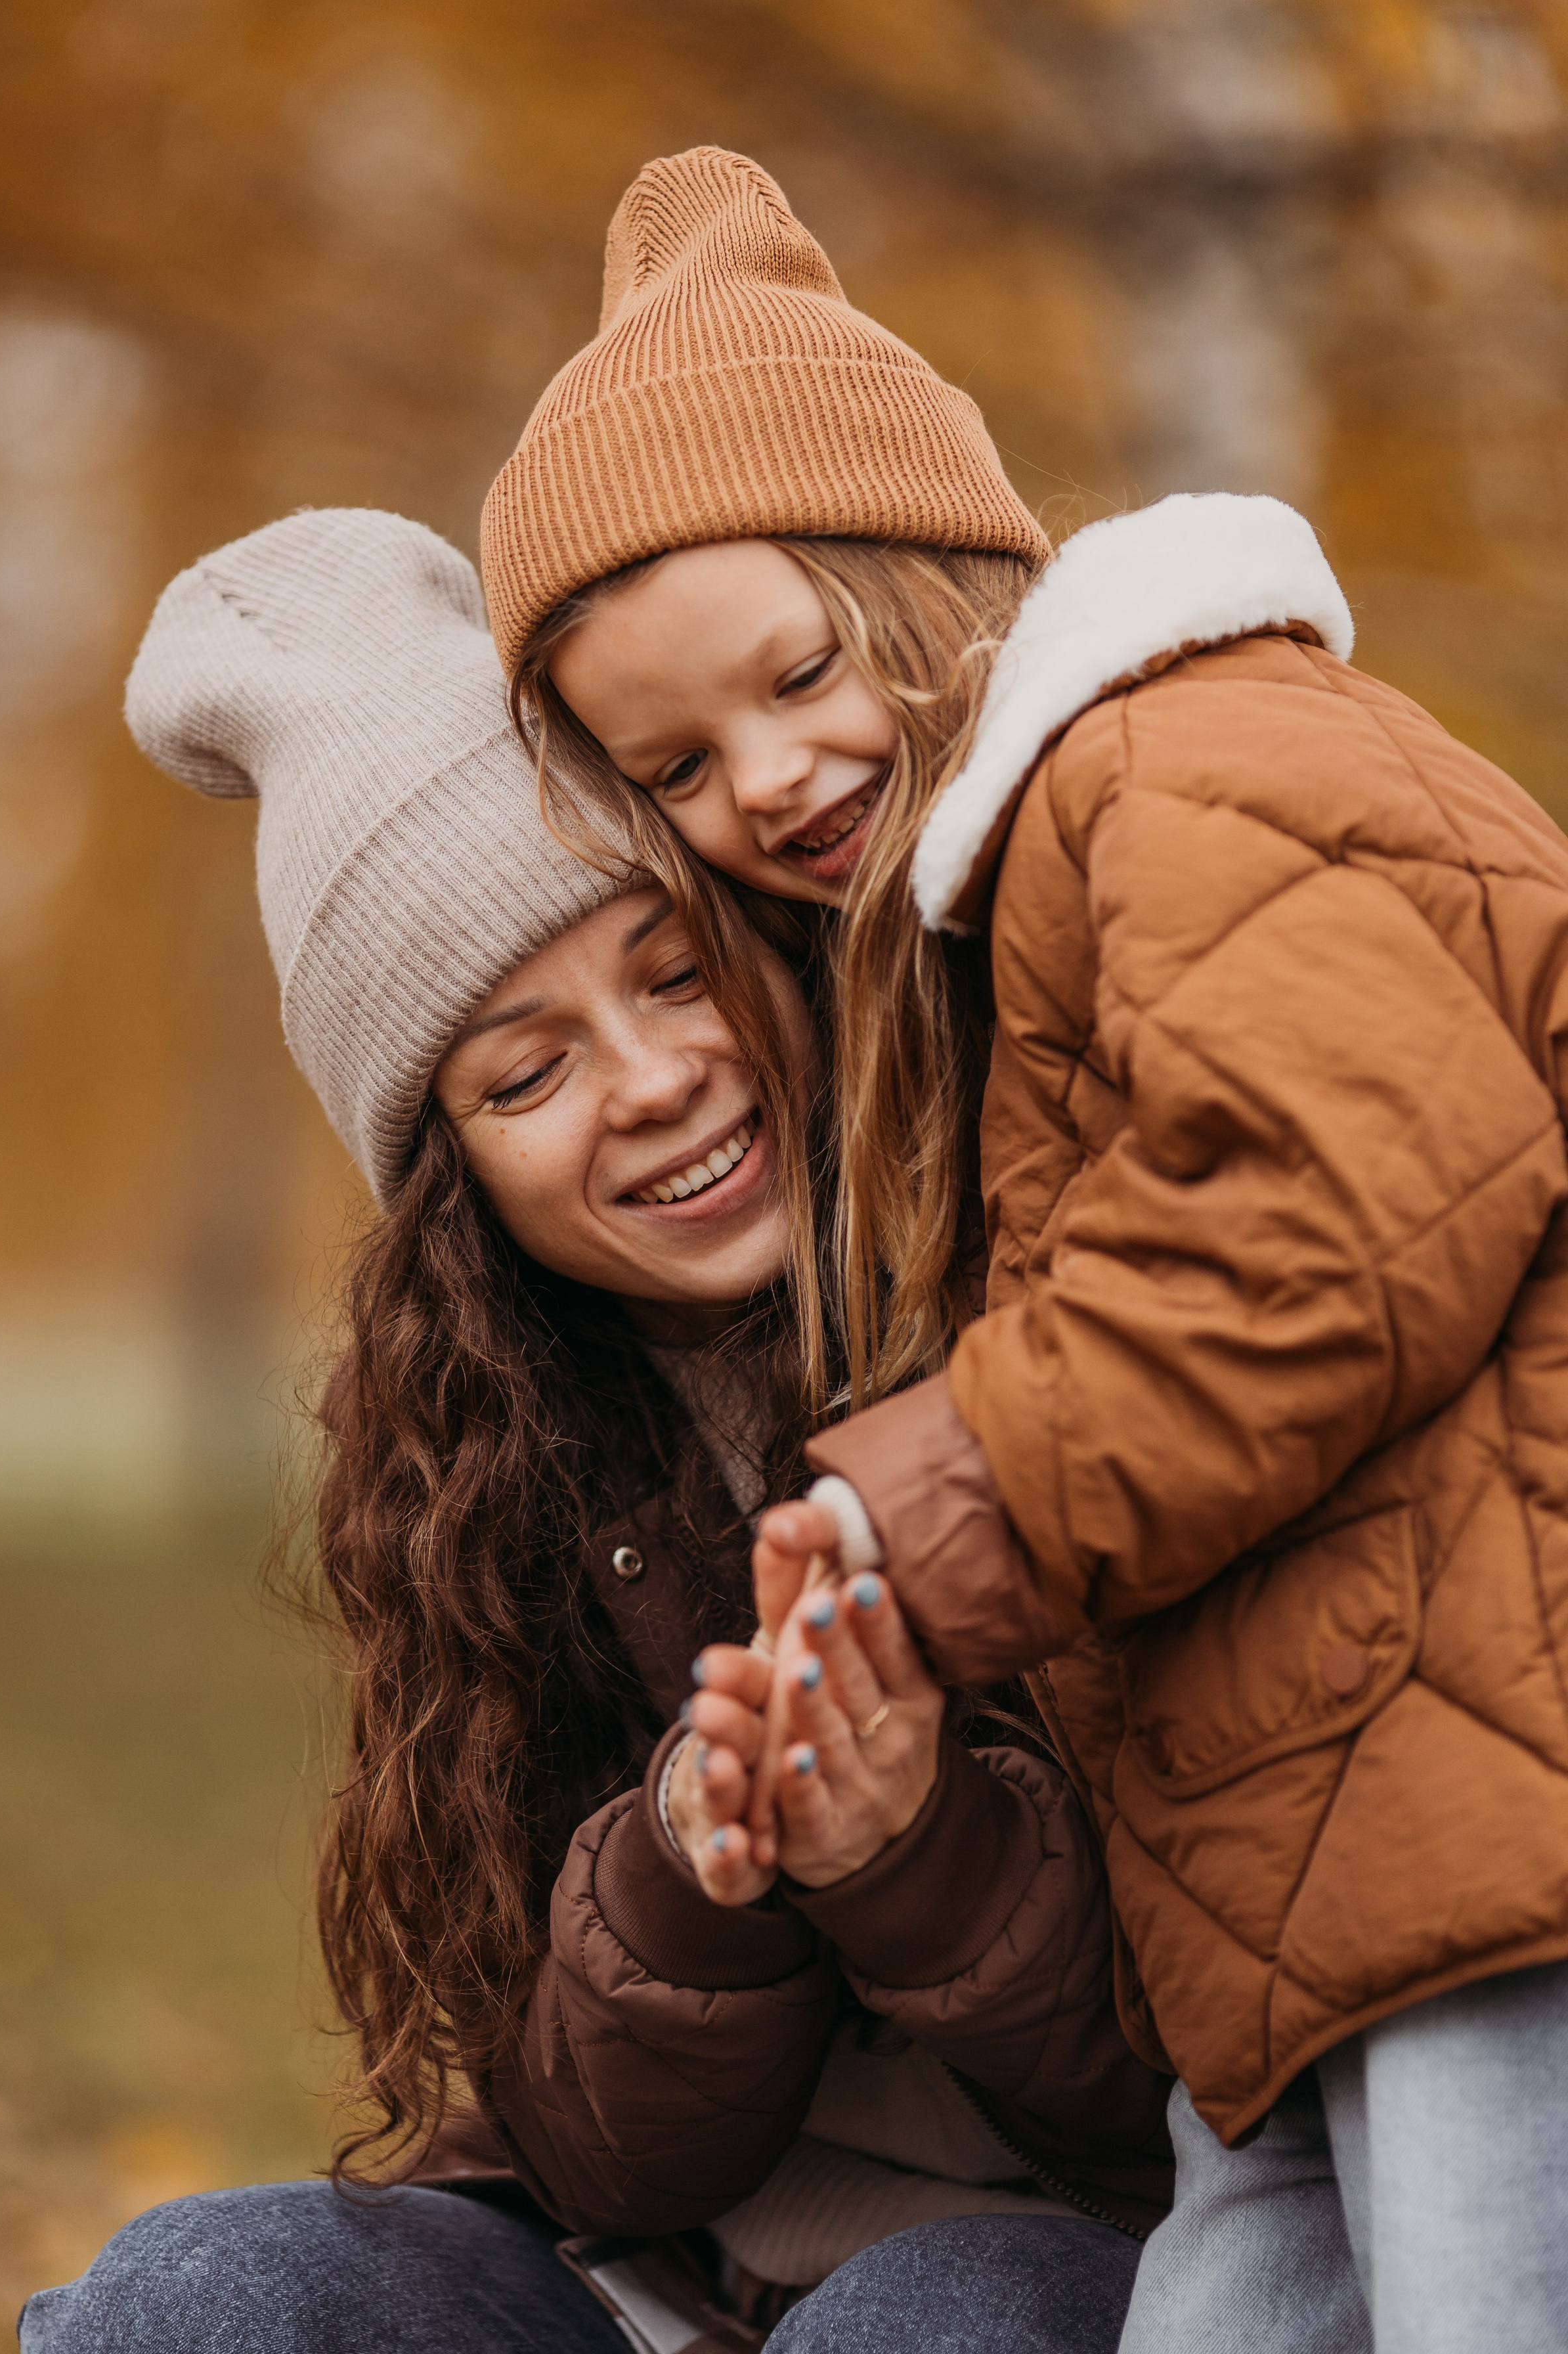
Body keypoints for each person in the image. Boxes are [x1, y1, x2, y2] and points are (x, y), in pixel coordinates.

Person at [484, 145, 1568, 2353]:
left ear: (930, 559)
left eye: (795, 672)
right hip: (1321, 1842)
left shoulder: (1178, 761)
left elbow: (1340, 1224)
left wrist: (919, 1497)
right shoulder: (988, 930)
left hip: (1495, 1804)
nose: (767, 781)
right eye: (675, 766)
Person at [18, 506, 1168, 2354]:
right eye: (525, 1072)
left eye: (676, 968)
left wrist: (914, 1848)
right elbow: (581, 2150)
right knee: (199, 2291)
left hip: (1096, 2254)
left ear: (774, 944)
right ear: (451, 1168)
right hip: (656, 2284)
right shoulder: (497, 1452)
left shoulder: (1054, 1277)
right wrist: (689, 1886)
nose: (651, 1086)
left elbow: (1202, 2064)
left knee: (944, 2317)